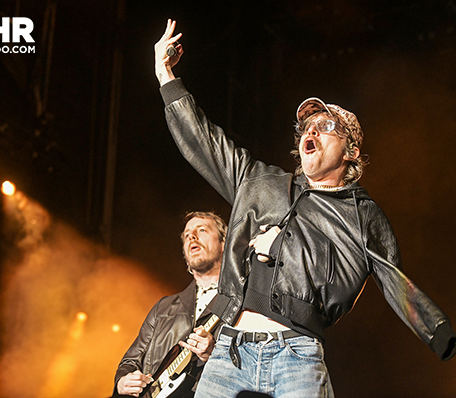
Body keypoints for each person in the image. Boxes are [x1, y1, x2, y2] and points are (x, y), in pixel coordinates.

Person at [153, 19, 456, 398]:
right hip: (229, 353)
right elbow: (206, 143)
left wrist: (437, 330)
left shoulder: (361, 215)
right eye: (305, 129)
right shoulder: (261, 182)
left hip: (296, 355)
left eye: (324, 126)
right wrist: (166, 77)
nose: (309, 132)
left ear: (351, 151)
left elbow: (379, 281)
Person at [113, 211, 227, 397]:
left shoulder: (241, 300)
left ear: (225, 243)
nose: (192, 236)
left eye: (202, 230)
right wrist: (123, 382)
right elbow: (131, 360)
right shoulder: (164, 308)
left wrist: (215, 354)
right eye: (187, 235)